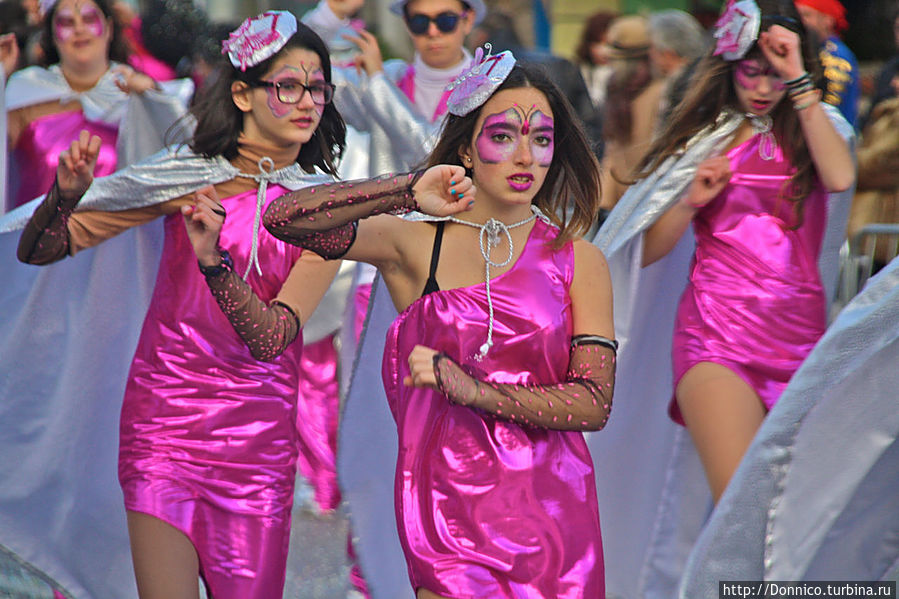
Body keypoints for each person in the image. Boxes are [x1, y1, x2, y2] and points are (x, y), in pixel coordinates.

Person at [12, 11, 345, 598]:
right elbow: (41, 249)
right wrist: (62, 200)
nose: (307, 102)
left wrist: (212, 260)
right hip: (163, 424)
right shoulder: (185, 177)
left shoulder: (320, 209)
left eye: (318, 88)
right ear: (242, 93)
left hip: (257, 444)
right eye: (288, 85)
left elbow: (269, 339)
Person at [264, 49, 615, 598]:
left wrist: (475, 390)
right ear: (468, 151)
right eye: (503, 136)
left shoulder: (578, 259)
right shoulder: (413, 245)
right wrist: (407, 189)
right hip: (448, 522)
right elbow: (283, 218)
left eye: (541, 139)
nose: (526, 154)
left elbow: (593, 402)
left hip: (554, 518)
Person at [588, 0, 855, 595]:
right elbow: (649, 250)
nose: (762, 85)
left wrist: (799, 80)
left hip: (799, 342)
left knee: (788, 520)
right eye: (749, 69)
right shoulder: (704, 141)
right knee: (743, 504)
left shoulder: (822, 129)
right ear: (727, 67)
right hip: (715, 338)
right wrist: (690, 198)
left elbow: (839, 179)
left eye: (774, 68)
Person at [4, 0, 192, 213]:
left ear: (110, 29)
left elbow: (179, 160)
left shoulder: (138, 92)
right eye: (67, 22)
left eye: (89, 19)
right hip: (37, 238)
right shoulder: (26, 88)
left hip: (116, 239)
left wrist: (150, 97)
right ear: (52, 35)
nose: (79, 29)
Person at [303, 0, 482, 175]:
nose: (432, 32)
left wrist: (378, 83)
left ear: (468, 20)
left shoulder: (483, 87)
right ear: (406, 22)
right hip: (384, 205)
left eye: (446, 21)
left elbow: (434, 154)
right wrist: (330, 14)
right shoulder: (391, 75)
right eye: (420, 22)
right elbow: (308, 74)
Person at [795, 0, 859, 127]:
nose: (800, 21)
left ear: (827, 20)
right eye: (797, 16)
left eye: (807, 15)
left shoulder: (835, 56)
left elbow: (830, 107)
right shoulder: (816, 48)